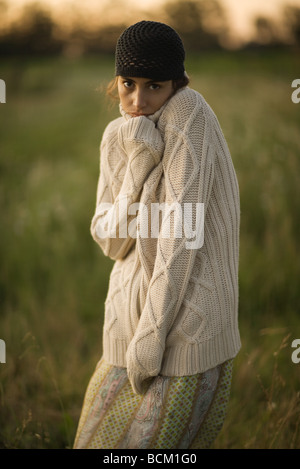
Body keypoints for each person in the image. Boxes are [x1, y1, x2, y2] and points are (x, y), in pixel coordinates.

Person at [73, 20, 241, 450]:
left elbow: (179, 236)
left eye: (154, 86)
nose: (138, 100)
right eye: (128, 83)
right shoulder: (119, 135)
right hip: (126, 330)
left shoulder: (189, 114)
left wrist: (151, 340)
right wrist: (138, 160)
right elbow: (111, 242)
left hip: (183, 330)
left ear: (177, 82)